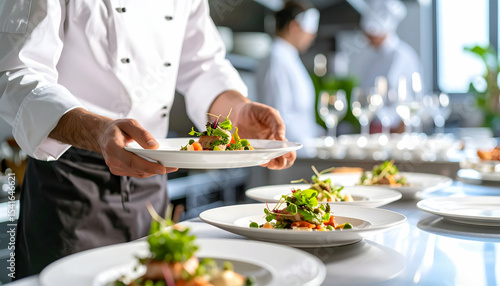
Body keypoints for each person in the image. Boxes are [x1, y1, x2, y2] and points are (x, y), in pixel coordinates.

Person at [0, 0, 296, 279]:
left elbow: (203, 66)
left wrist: (238, 110)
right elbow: (17, 71)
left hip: (152, 181)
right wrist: (96, 130)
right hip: (71, 182)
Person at [256, 0, 323, 151]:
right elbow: (278, 117)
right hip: (286, 154)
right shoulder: (277, 60)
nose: (312, 37)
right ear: (294, 27)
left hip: (298, 151)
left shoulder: (289, 58)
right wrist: (308, 146)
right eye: (310, 32)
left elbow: (301, 117)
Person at [349, 0, 422, 94]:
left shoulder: (401, 56)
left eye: (370, 34)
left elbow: (393, 94)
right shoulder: (374, 59)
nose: (366, 39)